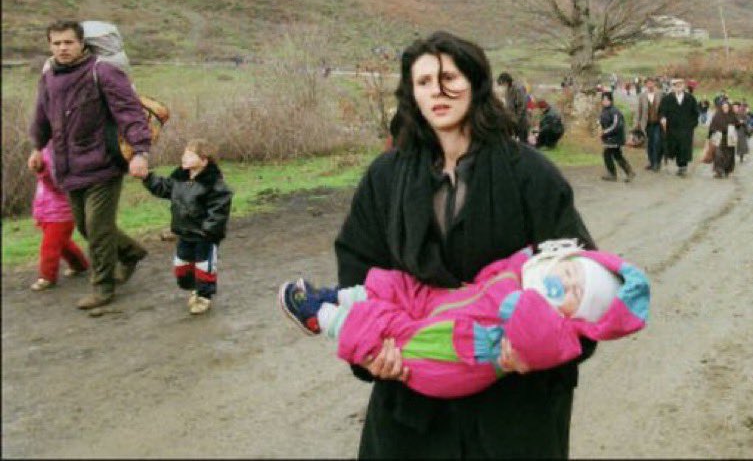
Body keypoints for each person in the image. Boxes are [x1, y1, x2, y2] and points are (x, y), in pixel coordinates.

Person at [332, 31, 599, 458]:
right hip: (413, 397)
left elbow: (581, 272)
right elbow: (357, 265)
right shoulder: (385, 177)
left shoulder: (530, 173)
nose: (437, 92)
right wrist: (370, 349)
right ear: (411, 95)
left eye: (449, 78)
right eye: (423, 82)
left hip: (513, 403)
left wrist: (542, 348)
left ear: (475, 83)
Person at [278, 240, 649, 399]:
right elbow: (500, 272)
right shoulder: (526, 274)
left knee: (390, 330)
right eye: (569, 272)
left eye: (575, 292)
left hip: (454, 355)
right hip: (454, 308)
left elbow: (521, 316)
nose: (563, 282)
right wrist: (523, 261)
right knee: (403, 286)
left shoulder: (554, 331)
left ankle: (321, 317)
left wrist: (514, 280)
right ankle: (337, 296)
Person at [28, 20, 152, 310]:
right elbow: (42, 116)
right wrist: (37, 148)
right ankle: (130, 252)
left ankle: (103, 287)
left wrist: (140, 153)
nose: (63, 48)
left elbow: (130, 113)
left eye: (68, 42)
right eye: (57, 43)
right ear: (49, 45)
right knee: (86, 226)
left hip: (103, 163)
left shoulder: (103, 72)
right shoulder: (49, 77)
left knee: (97, 227)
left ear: (81, 43)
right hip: (67, 166)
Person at [142, 139, 233, 315]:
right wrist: (147, 177)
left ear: (204, 160)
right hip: (184, 233)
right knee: (182, 268)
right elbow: (162, 187)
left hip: (204, 236)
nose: (184, 157)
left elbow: (219, 211)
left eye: (190, 155)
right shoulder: (179, 180)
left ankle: (203, 296)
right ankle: (194, 288)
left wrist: (208, 231)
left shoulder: (214, 184)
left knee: (204, 266)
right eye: (184, 153)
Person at [30, 143, 89, 291]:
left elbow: (57, 183)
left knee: (50, 246)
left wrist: (42, 170)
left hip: (61, 214)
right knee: (62, 244)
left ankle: (47, 276)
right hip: (48, 212)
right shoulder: (44, 149)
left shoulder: (60, 152)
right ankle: (80, 265)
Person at [658, 78, 701, 177]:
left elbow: (695, 113)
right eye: (676, 85)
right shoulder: (667, 99)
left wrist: (692, 125)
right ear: (673, 87)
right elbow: (662, 111)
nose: (678, 87)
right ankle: (677, 163)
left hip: (686, 129)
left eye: (680, 85)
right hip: (672, 128)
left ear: (683, 86)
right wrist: (663, 118)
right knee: (674, 147)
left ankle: (683, 167)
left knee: (684, 148)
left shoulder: (690, 98)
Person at [599, 91, 635, 183]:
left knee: (610, 154)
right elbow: (602, 122)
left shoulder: (615, 111)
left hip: (615, 138)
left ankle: (617, 173)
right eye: (603, 99)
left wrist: (605, 132)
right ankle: (626, 172)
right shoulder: (604, 110)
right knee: (615, 155)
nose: (604, 101)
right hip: (608, 138)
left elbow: (616, 125)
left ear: (611, 100)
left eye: (606, 99)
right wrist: (600, 129)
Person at [707, 100, 743, 179]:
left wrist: (739, 124)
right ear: (721, 108)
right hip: (719, 138)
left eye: (727, 107)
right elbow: (712, 126)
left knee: (729, 156)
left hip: (730, 139)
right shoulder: (717, 116)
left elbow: (737, 124)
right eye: (723, 107)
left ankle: (727, 170)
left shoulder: (732, 115)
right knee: (718, 155)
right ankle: (719, 171)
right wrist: (710, 136)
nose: (725, 109)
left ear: (729, 108)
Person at [634, 77, 664, 172]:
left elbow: (665, 108)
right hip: (647, 123)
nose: (650, 85)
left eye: (651, 83)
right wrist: (637, 123)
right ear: (645, 85)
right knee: (649, 143)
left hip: (658, 123)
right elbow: (639, 110)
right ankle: (651, 162)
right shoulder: (642, 96)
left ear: (654, 84)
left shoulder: (660, 94)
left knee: (657, 142)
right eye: (648, 83)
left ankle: (656, 163)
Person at [497, 72, 530, 143]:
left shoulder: (517, 89)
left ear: (506, 81)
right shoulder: (508, 90)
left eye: (502, 83)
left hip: (521, 121)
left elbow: (521, 105)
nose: (502, 85)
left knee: (523, 143)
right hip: (512, 121)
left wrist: (516, 119)